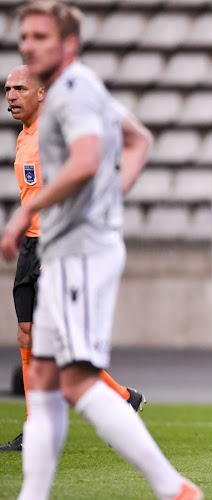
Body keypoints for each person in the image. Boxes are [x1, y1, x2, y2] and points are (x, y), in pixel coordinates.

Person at [0, 2, 201, 498]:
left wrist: (27, 211)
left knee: (76, 381)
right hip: (73, 245)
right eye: (24, 36)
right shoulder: (82, 87)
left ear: (68, 44)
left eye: (40, 37)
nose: (28, 45)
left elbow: (88, 160)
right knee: (44, 376)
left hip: (76, 251)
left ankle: (172, 487)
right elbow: (139, 139)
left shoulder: (70, 91)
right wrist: (114, 197)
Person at [0, 64, 146, 453]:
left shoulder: (56, 137)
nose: (11, 95)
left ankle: (118, 400)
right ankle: (38, 426)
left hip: (56, 246)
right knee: (27, 334)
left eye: (19, 88)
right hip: (31, 247)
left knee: (64, 348)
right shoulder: (23, 138)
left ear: (41, 93)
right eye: (8, 89)